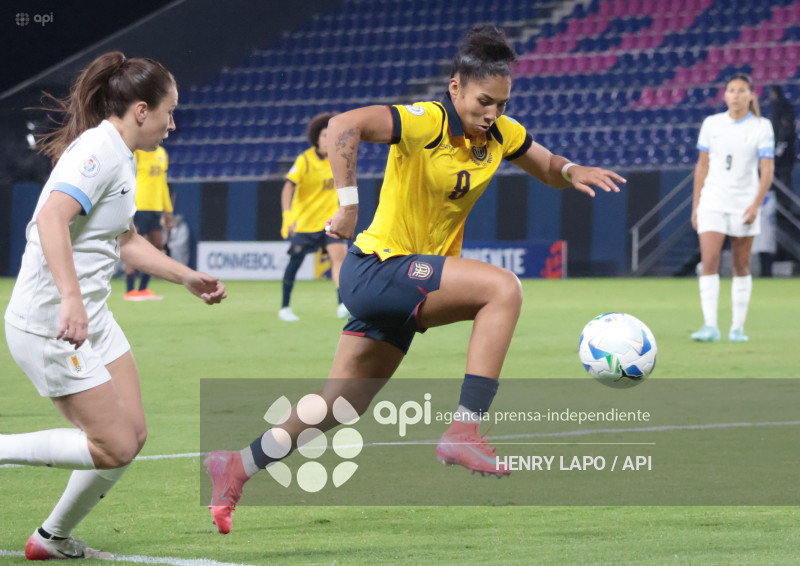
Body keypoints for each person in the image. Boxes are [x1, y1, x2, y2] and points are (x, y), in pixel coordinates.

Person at [203, 24, 624, 534]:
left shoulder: (501, 133)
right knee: (502, 289)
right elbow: (342, 125)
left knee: (341, 404)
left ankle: (238, 466)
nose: (491, 114)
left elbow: (548, 164)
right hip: (379, 267)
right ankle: (465, 429)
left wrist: (572, 169)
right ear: (455, 88)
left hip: (405, 285)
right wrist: (349, 202)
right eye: (483, 101)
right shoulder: (425, 121)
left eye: (501, 103)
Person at [0, 51, 227, 559]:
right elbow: (51, 220)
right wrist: (72, 301)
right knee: (115, 446)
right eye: (170, 111)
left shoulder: (123, 155)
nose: (174, 123)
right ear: (141, 109)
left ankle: (50, 538)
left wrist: (185, 276)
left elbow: (123, 240)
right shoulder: (97, 151)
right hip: (51, 322)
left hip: (91, 318)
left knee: (134, 434)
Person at [690, 73, 774, 342]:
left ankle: (737, 328)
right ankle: (710, 326)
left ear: (751, 95)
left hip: (744, 203)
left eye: (741, 91)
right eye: (731, 90)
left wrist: (755, 204)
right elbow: (702, 165)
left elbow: (767, 169)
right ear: (724, 95)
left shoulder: (762, 126)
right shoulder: (712, 124)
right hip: (713, 201)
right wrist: (696, 204)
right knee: (710, 260)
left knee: (741, 264)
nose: (735, 95)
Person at [279, 112, 349, 321]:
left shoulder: (339, 159)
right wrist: (287, 216)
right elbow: (287, 188)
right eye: (325, 135)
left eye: (332, 135)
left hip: (329, 222)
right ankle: (284, 307)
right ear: (316, 138)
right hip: (306, 223)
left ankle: (342, 303)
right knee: (295, 262)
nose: (328, 140)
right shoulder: (305, 160)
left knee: (339, 258)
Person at [124, 145, 174, 301]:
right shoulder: (137, 153)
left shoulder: (162, 154)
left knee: (157, 246)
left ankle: (143, 289)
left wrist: (168, 211)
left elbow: (162, 184)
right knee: (133, 246)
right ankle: (130, 290)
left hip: (156, 207)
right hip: (139, 205)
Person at [768, 85, 797, 261]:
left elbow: (785, 137)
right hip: (778, 161)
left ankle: (785, 203)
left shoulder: (784, 112)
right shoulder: (775, 115)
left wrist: (776, 156)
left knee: (783, 181)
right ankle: (781, 202)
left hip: (784, 161)